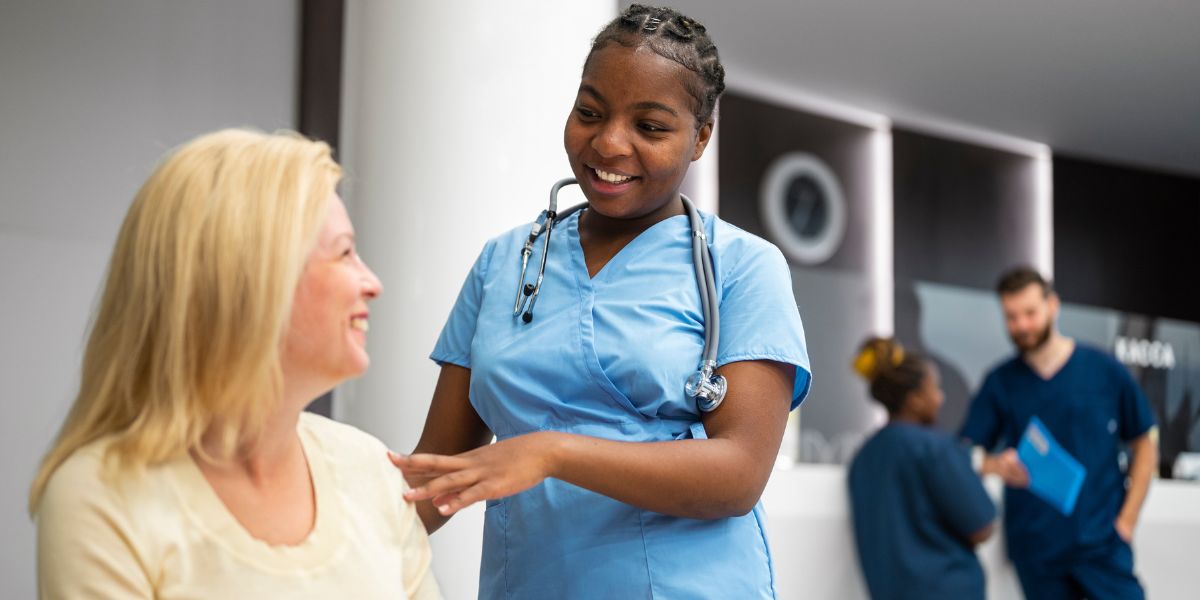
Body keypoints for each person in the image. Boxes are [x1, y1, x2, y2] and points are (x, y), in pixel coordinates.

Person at [389, 5, 811, 598]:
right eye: (590, 113)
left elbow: (739, 474)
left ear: (701, 137)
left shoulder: (742, 266)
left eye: (651, 127)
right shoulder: (504, 262)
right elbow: (438, 472)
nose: (609, 143)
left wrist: (552, 453)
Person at [30, 129, 440, 599]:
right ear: (251, 281)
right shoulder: (100, 498)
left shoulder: (370, 470)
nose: (372, 283)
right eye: (345, 252)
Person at [960, 266, 1157, 600]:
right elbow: (963, 450)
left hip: (1101, 545)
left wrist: (1127, 521)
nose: (1021, 326)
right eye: (1011, 316)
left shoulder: (1103, 370)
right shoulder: (1001, 383)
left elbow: (1145, 440)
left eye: (1030, 313)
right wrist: (993, 465)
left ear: (1053, 306)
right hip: (1037, 552)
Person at [847, 338, 995, 600]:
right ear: (915, 399)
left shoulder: (863, 459)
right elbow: (982, 525)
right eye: (934, 389)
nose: (940, 397)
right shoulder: (934, 447)